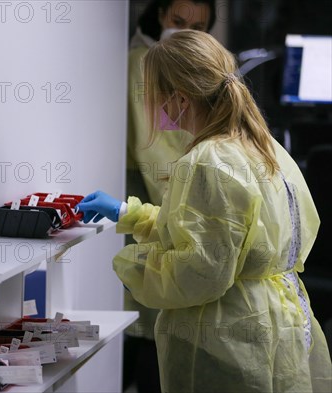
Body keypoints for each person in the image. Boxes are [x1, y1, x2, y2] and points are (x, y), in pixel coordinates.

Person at [78, 30, 332, 392]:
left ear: (179, 98)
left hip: (227, 338)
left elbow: (200, 271)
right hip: (276, 322)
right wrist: (125, 212)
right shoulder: (262, 145)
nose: (152, 105)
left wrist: (134, 269)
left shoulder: (207, 162)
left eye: (153, 96)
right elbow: (213, 235)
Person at [125, 1, 216, 391]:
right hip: (153, 205)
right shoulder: (146, 67)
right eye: (177, 22)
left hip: (164, 212)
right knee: (147, 338)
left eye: (197, 27)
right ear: (159, 15)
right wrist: (182, 216)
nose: (183, 32)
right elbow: (157, 156)